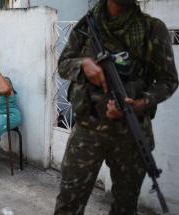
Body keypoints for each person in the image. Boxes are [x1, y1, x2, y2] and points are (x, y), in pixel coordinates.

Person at [54, 0, 178, 214]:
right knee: (68, 203)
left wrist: (140, 104)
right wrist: (83, 65)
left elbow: (169, 80)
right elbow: (63, 64)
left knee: (125, 207)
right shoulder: (87, 26)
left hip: (131, 133)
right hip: (88, 131)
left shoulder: (152, 29)